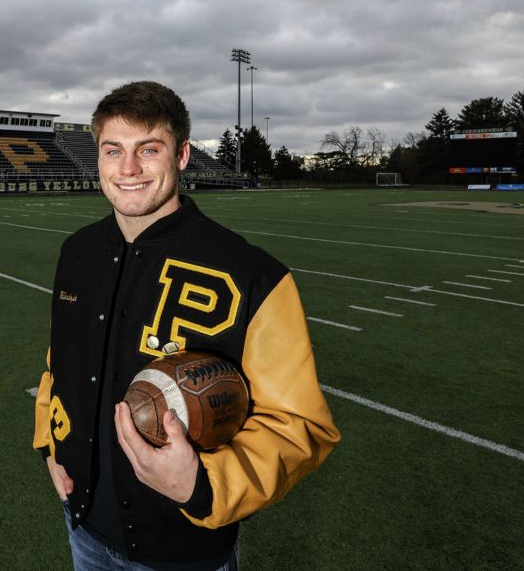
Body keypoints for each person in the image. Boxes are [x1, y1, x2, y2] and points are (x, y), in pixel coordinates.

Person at [33, 81, 340, 570]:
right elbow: (60, 366)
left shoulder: (254, 274)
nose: (128, 169)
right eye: (113, 151)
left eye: (148, 149)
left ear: (181, 156)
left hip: (185, 548)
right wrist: (50, 446)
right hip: (83, 527)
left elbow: (300, 425)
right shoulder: (77, 252)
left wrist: (202, 485)